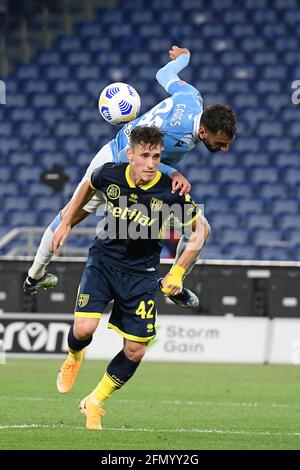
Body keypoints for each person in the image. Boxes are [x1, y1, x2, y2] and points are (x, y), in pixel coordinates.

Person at [23, 45, 236, 305]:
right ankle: (172, 279)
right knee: (71, 216)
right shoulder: (175, 134)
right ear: (203, 132)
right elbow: (129, 157)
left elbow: (163, 75)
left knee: (69, 216)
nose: (224, 149)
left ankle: (35, 276)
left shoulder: (191, 97)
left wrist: (184, 58)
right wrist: (172, 171)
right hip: (120, 164)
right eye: (221, 142)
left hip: (122, 159)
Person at [53, 126, 210, 430]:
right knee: (84, 329)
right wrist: (66, 223)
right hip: (104, 262)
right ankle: (73, 355)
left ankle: (95, 402)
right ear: (130, 154)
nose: (151, 163)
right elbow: (88, 184)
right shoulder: (109, 174)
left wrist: (177, 271)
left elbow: (200, 230)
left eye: (156, 156)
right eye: (145, 155)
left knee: (136, 348)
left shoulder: (170, 190)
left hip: (142, 273)